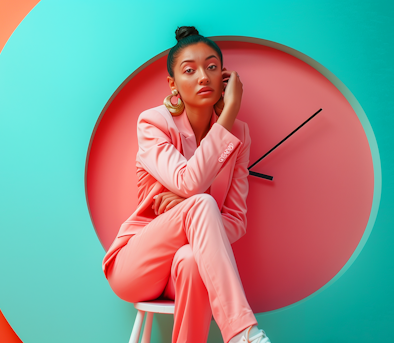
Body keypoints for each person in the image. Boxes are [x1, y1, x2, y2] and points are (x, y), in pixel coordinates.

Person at [102, 26, 271, 343]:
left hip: (187, 267)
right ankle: (242, 333)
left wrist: (189, 209)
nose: (203, 77)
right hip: (137, 265)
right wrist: (229, 110)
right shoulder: (154, 123)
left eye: (211, 67)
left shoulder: (240, 136)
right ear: (173, 85)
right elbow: (189, 182)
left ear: (225, 77)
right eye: (189, 70)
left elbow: (236, 220)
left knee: (195, 259)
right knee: (202, 201)